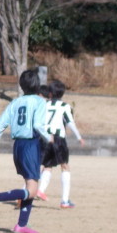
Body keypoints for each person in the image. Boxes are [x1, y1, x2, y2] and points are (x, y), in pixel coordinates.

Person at [0, 69, 52, 233]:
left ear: (22, 86)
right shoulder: (39, 102)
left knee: (31, 187)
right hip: (31, 145)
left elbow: (0, 124)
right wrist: (49, 138)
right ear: (37, 85)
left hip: (18, 146)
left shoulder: (15, 102)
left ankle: (21, 225)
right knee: (33, 189)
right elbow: (37, 125)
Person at [36, 80, 84, 208]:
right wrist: (79, 137)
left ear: (50, 93)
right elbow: (70, 123)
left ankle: (35, 191)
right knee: (65, 166)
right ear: (62, 93)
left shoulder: (44, 105)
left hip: (45, 138)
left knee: (45, 165)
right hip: (58, 139)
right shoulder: (65, 106)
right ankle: (65, 200)